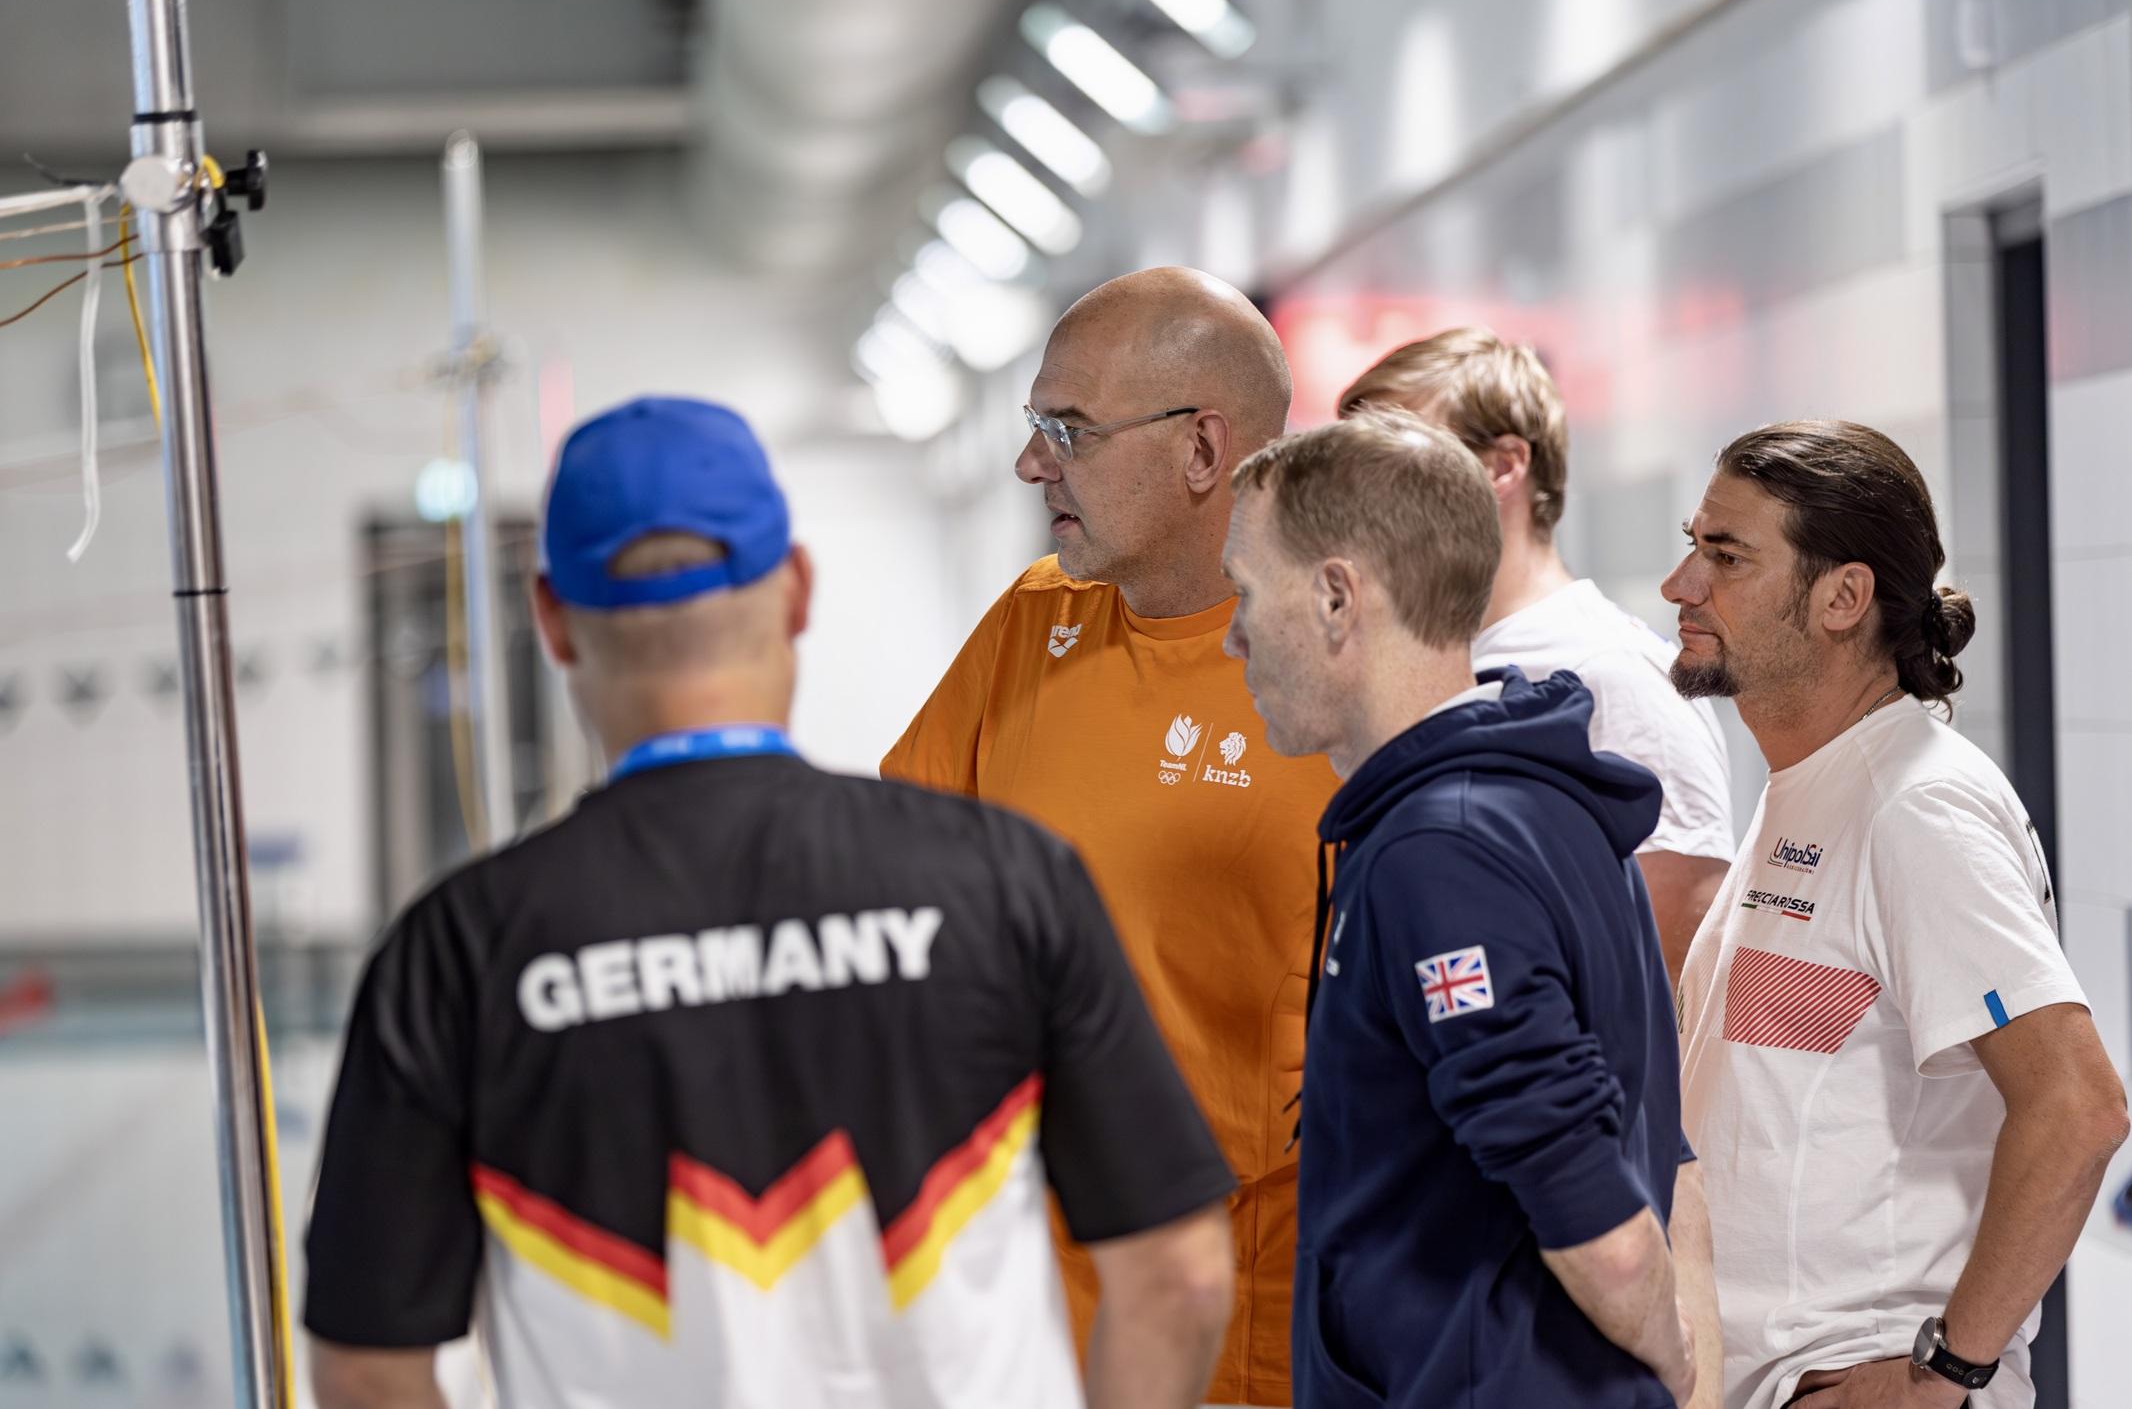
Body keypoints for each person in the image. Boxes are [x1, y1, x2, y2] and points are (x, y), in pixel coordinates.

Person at [302, 397, 1238, 1409]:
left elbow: (366, 1364)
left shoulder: (455, 950)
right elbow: (1177, 1276)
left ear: (553, 620)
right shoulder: (1005, 879)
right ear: (794, 588)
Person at [884, 267, 1336, 1406]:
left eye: (1066, 431)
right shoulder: (1033, 620)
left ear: (1201, 451)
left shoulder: (1339, 670)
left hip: (1236, 1319)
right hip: (1021, 1299)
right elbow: (896, 879)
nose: (1031, 463)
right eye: (1036, 427)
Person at [1220, 411, 1716, 1408]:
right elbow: (1656, 1135)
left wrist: (1666, 1361)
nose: (1229, 635)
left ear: (1332, 599)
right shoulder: (1541, 794)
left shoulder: (1437, 851)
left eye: (1242, 593)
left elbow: (1593, 1210)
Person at [1665, 420, 2128, 1409]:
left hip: (1852, 1373)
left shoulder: (1913, 804)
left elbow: (2077, 1104)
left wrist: (1945, 1370)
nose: (1680, 584)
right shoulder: (1810, 785)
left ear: (1842, 596)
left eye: (1723, 554)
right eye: (1691, 543)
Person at [1341, 328, 1733, 979]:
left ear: (1502, 465)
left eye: (1396, 456)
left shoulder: (1613, 673)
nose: (1357, 495)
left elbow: (1666, 981)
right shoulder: (1421, 659)